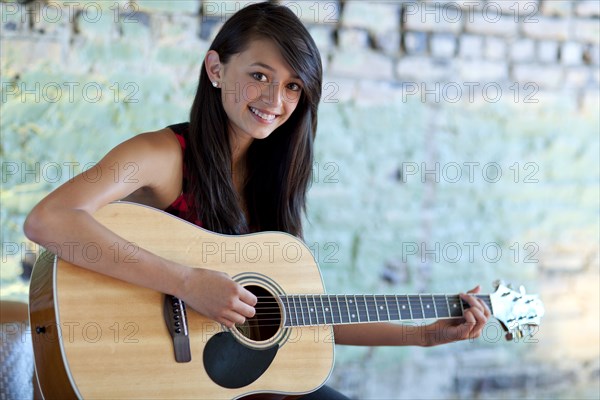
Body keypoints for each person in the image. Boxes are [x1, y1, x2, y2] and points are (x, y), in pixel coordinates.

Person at [24, 2, 490, 398]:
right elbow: (49, 220)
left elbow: (297, 314)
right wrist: (187, 282)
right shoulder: (161, 155)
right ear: (215, 69)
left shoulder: (276, 177)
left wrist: (424, 334)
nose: (275, 99)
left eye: (292, 86)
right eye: (260, 75)